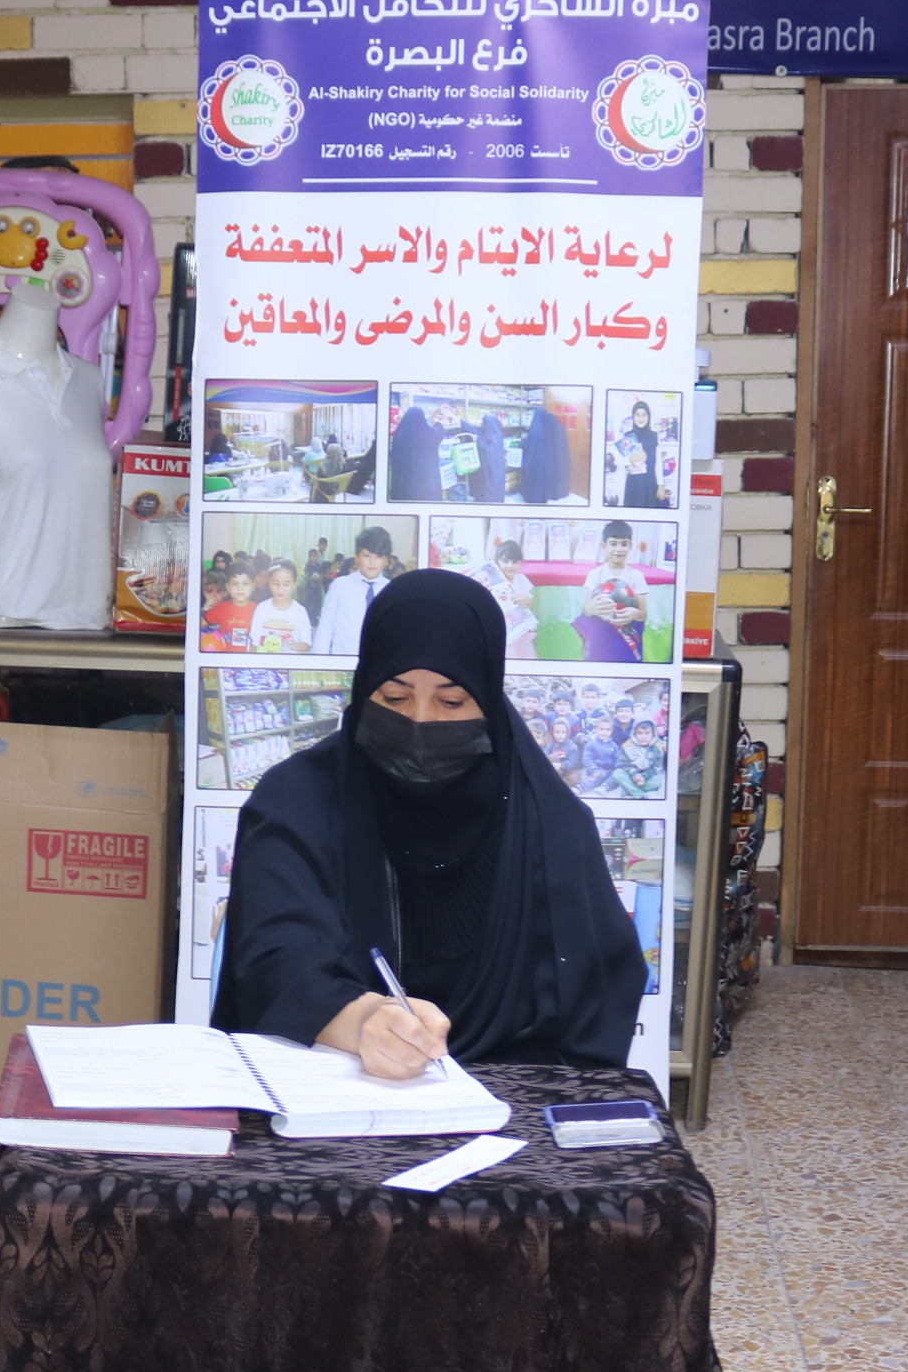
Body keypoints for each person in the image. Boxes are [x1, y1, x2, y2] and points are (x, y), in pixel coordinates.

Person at [212, 568, 646, 1076]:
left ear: (488, 697)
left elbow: (594, 996)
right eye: (395, 698)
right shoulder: (296, 799)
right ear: (365, 687)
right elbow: (274, 955)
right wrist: (363, 1020)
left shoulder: (549, 825)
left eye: (451, 701)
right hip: (333, 1078)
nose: (420, 721)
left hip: (511, 1093)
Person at [572, 523, 651, 662]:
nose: (618, 549)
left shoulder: (636, 576)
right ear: (604, 546)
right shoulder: (595, 574)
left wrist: (633, 614)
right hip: (601, 633)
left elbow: (643, 614)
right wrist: (592, 609)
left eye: (624, 544)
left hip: (626, 633)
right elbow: (586, 609)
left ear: (630, 546)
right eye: (613, 544)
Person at [315, 527, 396, 653]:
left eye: (379, 556)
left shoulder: (392, 591)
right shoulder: (340, 586)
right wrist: (320, 661)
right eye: (366, 556)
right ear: (357, 557)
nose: (372, 562)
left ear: (386, 561)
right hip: (343, 660)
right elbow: (325, 627)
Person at [470, 537, 539, 657]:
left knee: (524, 656)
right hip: (501, 629)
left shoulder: (521, 579)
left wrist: (527, 600)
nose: (510, 565)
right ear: (497, 562)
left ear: (520, 563)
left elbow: (532, 604)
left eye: (514, 562)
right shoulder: (491, 582)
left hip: (521, 631)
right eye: (506, 561)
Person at [248, 559, 315, 652]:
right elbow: (253, 643)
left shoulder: (300, 611)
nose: (280, 589)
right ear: (269, 582)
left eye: (286, 584)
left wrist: (295, 645)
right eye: (276, 584)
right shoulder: (262, 608)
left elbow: (306, 644)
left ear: (294, 584)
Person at [615, 400, 663, 510]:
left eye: (644, 415)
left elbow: (658, 462)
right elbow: (618, 461)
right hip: (634, 483)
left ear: (649, 416)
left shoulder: (655, 436)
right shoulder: (628, 436)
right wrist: (631, 458)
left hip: (650, 482)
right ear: (633, 416)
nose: (640, 418)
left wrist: (661, 484)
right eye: (637, 415)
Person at [204, 563, 257, 648]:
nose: (240, 588)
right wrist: (204, 609)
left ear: (253, 586)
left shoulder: (259, 609)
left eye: (245, 583)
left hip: (250, 656)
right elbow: (201, 624)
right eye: (235, 584)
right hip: (226, 655)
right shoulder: (221, 609)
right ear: (228, 587)